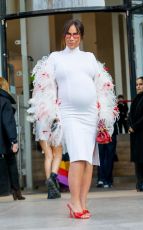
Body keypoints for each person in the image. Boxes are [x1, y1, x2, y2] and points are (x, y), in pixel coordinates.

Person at [27, 19, 118, 218]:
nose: (71, 37)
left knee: (88, 162)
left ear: (81, 36)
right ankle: (74, 203)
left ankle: (82, 203)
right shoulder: (55, 57)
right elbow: (44, 86)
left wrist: (103, 113)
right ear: (64, 36)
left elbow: (100, 85)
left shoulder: (89, 57)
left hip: (90, 115)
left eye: (75, 34)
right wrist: (52, 114)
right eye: (68, 34)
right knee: (78, 158)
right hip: (69, 114)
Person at [0, 77, 25, 200]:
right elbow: (8, 122)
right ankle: (16, 192)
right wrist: (13, 140)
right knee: (11, 163)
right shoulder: (4, 100)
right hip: (4, 140)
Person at [128, 76, 143, 192]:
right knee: (137, 159)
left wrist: (134, 127)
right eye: (137, 84)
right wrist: (130, 126)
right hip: (135, 134)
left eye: (141, 84)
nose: (138, 86)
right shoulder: (136, 98)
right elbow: (130, 115)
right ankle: (140, 183)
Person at [97, 121, 118, 188]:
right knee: (101, 157)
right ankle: (102, 179)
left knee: (108, 157)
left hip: (110, 132)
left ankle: (106, 179)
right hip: (100, 132)